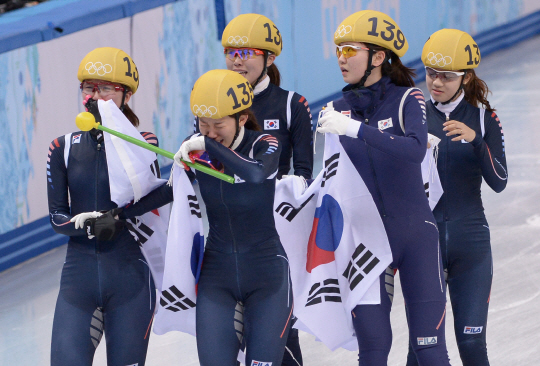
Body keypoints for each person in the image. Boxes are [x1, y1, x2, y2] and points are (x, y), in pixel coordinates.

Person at [316, 10, 451, 365]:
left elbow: (412, 149)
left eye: (350, 50)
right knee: (373, 353)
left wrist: (355, 130)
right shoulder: (335, 110)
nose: (341, 58)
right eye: (339, 50)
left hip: (414, 237)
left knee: (429, 349)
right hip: (366, 244)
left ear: (378, 57)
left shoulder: (409, 99)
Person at [47, 47, 156, 366]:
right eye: (89, 87)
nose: (95, 95)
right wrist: (84, 224)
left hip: (130, 279)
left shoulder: (144, 142)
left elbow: (145, 203)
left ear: (127, 94)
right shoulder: (62, 147)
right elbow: (57, 217)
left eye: (105, 88)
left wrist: (114, 219)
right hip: (78, 280)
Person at [405, 29, 508, 366]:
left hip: (471, 246)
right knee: (420, 348)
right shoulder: (413, 115)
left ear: (465, 77)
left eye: (446, 76)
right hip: (425, 247)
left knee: (472, 343)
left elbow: (500, 182)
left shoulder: (483, 117)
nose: (435, 82)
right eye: (431, 73)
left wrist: (477, 142)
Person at [220, 13, 313, 364]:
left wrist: (284, 183)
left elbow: (304, 173)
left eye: (247, 52)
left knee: (281, 335)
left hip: (277, 234)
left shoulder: (292, 105)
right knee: (232, 339)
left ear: (269, 58)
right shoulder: (215, 103)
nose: (237, 60)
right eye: (231, 52)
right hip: (228, 237)